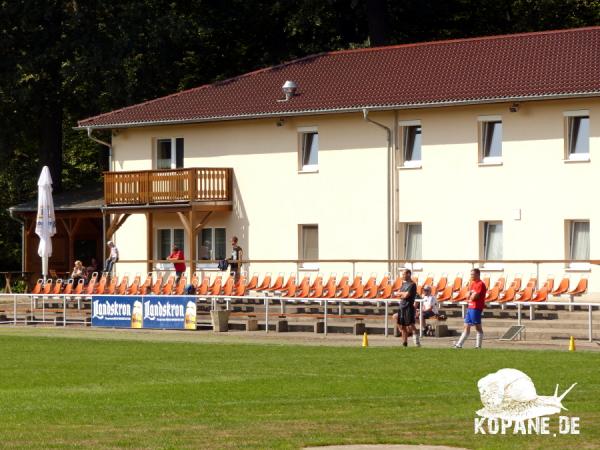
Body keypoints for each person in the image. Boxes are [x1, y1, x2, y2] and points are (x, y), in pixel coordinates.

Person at [454, 268, 487, 348]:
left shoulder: (481, 284)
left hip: (476, 308)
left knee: (477, 327)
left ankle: (478, 346)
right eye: (471, 274)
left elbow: (474, 297)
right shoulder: (472, 284)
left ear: (478, 275)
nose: (471, 276)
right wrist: (470, 294)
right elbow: (467, 295)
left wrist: (471, 295)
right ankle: (459, 344)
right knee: (466, 326)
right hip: (470, 307)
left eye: (473, 274)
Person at [392, 269, 420, 347]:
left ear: (408, 274)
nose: (402, 276)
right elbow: (397, 294)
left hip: (409, 307)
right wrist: (401, 294)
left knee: (411, 325)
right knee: (402, 326)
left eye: (403, 274)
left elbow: (406, 295)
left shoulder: (412, 284)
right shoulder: (403, 284)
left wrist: (401, 294)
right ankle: (404, 344)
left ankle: (417, 342)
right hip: (402, 307)